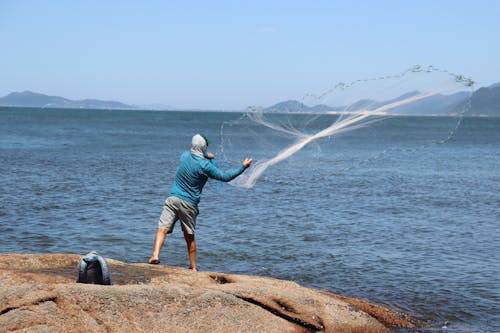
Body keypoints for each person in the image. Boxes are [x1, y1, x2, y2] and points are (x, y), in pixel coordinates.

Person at [148, 134, 252, 271]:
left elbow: (196, 154)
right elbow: (225, 177)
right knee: (189, 236)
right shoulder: (205, 166)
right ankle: (193, 267)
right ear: (203, 147)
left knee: (162, 228)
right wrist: (243, 166)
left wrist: (207, 155)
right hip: (189, 204)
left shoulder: (184, 155)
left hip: (172, 199)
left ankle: (155, 255)